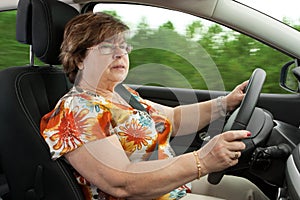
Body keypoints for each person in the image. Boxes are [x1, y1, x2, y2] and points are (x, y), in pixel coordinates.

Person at [40, 12, 269, 200]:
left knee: (248, 192)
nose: (121, 53)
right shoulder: (76, 111)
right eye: (107, 47)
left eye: (124, 46)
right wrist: (202, 160)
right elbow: (122, 183)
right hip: (142, 196)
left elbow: (175, 118)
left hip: (168, 187)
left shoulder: (122, 94)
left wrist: (225, 103)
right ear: (79, 59)